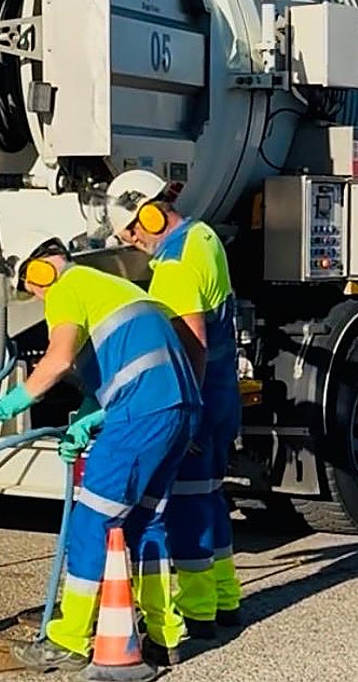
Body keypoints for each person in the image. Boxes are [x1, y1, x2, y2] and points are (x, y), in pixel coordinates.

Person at [0, 232, 201, 671]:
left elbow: (56, 360)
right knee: (147, 520)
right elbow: (121, 368)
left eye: (30, 287)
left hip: (141, 413)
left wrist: (5, 405)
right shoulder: (112, 287)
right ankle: (165, 635)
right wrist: (90, 417)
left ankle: (69, 639)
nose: (34, 295)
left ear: (41, 271)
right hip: (179, 409)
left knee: (93, 520)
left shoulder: (67, 287)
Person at [104, 169, 243, 638]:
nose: (133, 241)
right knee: (210, 499)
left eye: (132, 232)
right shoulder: (203, 236)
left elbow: (192, 345)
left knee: (184, 507)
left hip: (201, 404)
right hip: (223, 397)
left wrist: (188, 414)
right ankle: (225, 599)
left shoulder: (175, 267)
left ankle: (199, 611)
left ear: (148, 213)